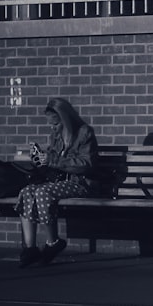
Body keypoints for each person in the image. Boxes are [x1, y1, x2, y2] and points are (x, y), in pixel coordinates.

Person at [16, 98, 98, 267]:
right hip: (58, 182)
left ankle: (53, 243)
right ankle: (30, 248)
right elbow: (52, 161)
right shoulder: (56, 136)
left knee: (42, 192)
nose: (53, 129)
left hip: (81, 183)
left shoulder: (85, 133)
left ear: (66, 120)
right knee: (26, 191)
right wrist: (39, 159)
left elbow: (86, 165)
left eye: (56, 124)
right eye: (51, 125)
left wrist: (54, 161)